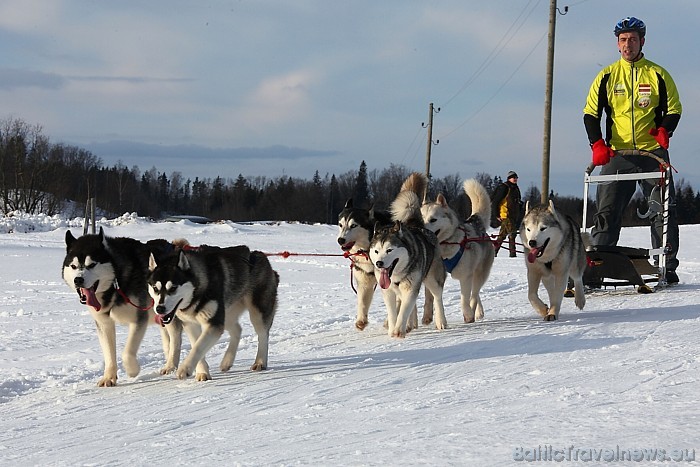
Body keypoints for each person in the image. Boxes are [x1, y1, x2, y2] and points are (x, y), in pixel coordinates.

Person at [583, 16, 682, 284]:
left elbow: (674, 108)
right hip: (617, 155)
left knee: (662, 210)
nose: (628, 44)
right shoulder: (606, 76)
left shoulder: (658, 74)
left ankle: (666, 265)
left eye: (633, 39)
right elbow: (590, 113)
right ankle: (597, 265)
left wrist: (665, 130)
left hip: (653, 155)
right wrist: (597, 144)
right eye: (623, 40)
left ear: (642, 42)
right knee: (606, 212)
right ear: (617, 44)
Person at [491, 170, 523, 257]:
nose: (515, 179)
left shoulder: (515, 188)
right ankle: (513, 254)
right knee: (512, 234)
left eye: (516, 177)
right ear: (509, 178)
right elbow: (495, 201)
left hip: (513, 215)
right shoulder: (504, 188)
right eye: (513, 177)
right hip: (506, 214)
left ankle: (493, 252)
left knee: (502, 236)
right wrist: (496, 214)